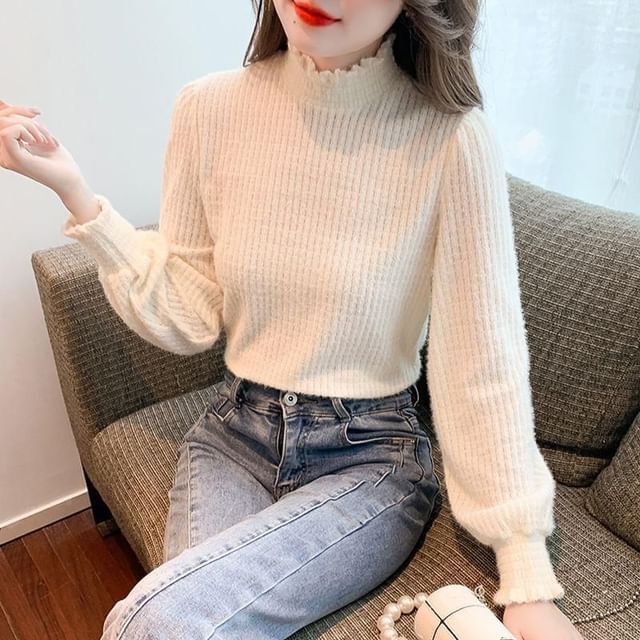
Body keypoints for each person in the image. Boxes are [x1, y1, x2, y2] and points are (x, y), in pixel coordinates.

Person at [0, 1, 586, 638]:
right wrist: (76, 193)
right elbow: (190, 315)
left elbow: (481, 360)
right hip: (235, 436)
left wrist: (525, 572)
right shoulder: (208, 109)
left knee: (161, 620)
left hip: (371, 455)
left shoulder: (452, 138)